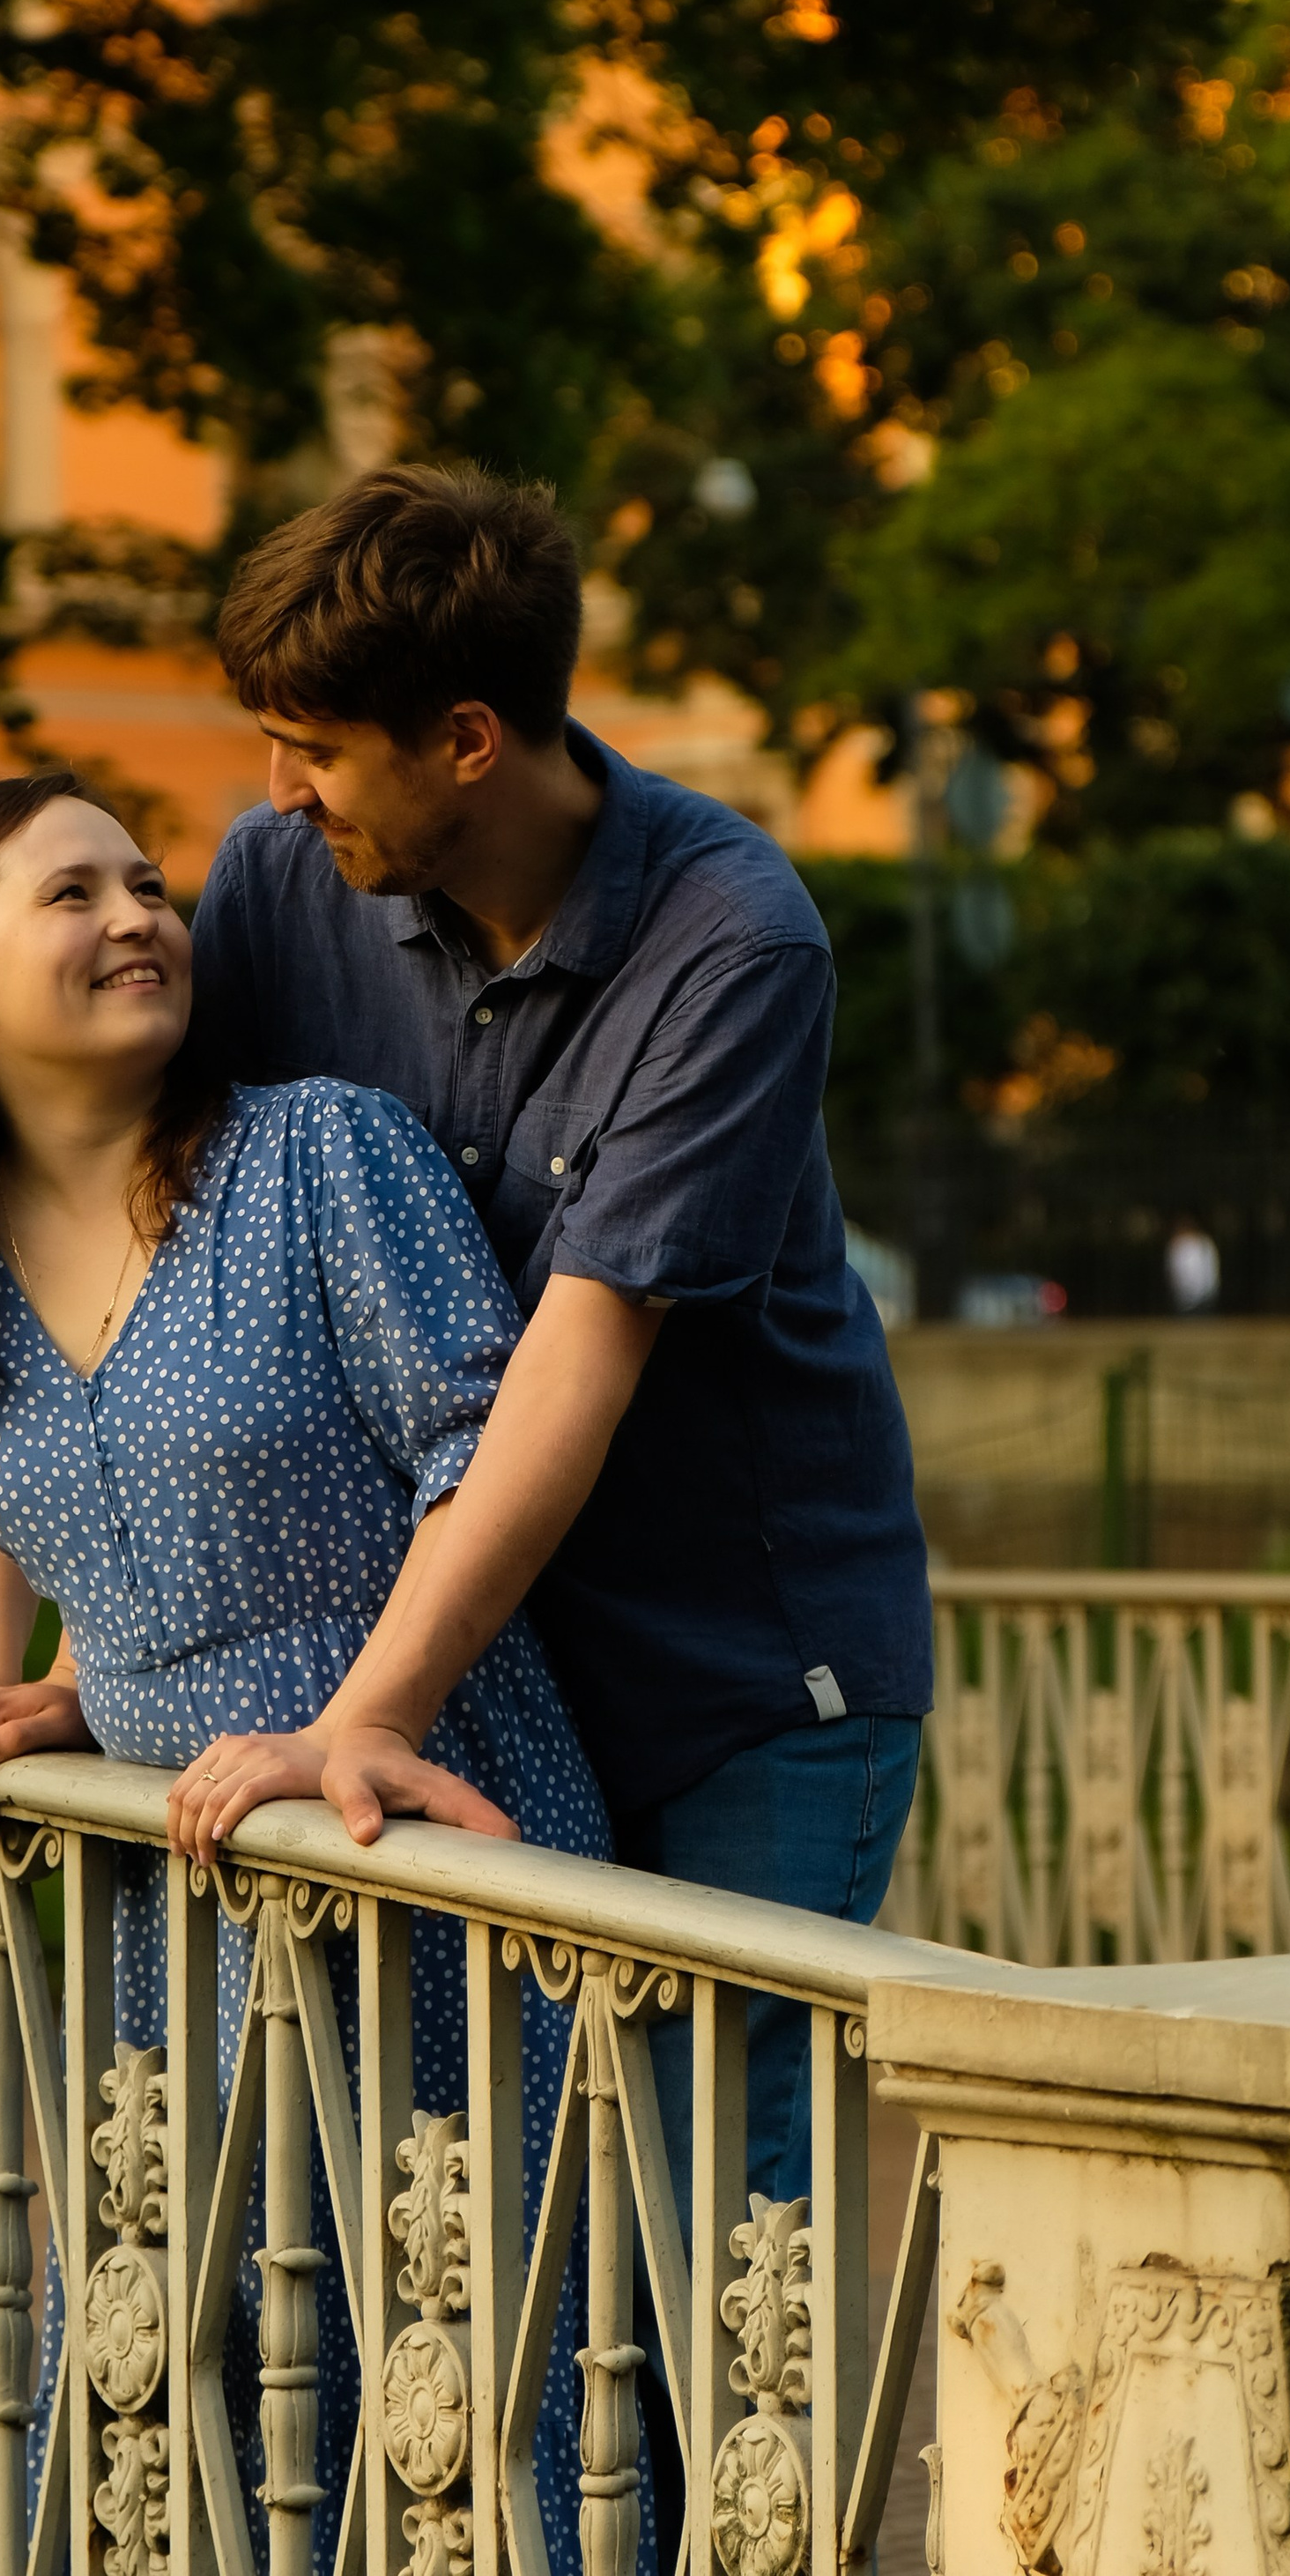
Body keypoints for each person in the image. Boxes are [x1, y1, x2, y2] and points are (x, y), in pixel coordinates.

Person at [179, 464, 932, 2424]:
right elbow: (144, 1252)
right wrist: (57, 1664)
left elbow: (567, 1379)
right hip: (501, 1686)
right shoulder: (285, 892)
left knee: (708, 2284)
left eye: (311, 753)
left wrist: (366, 1717)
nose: (276, 799)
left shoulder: (729, 941)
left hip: (746, 1691)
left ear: (464, 739)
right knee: (524, 2278)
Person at [0, 770, 608, 2563]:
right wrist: (1, 1683)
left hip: (402, 1817)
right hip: (167, 1877)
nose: (138, 918)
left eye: (150, 883)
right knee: (177, 2361)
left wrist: (358, 1715)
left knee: (484, 2359)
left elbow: (479, 1456)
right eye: (73, 895)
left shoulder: (319, 1153)